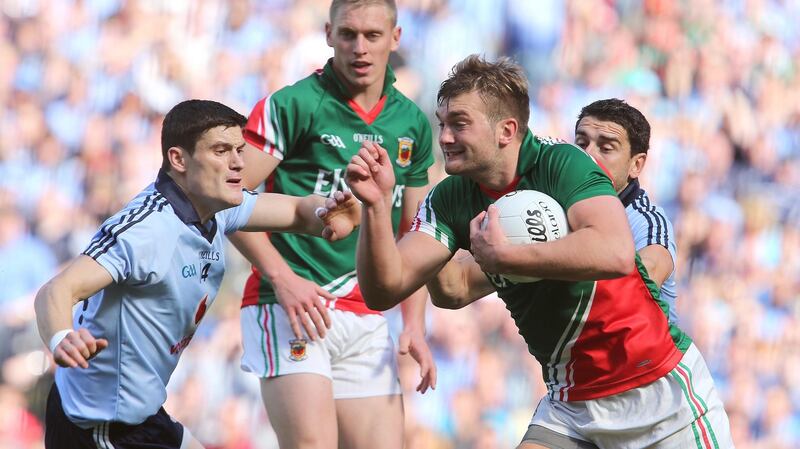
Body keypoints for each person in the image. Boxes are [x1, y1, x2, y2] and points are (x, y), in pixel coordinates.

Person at [346, 55, 733, 448]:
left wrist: (507, 258)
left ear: (506, 130)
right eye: (442, 123)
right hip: (571, 405)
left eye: (459, 124)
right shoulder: (448, 198)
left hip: (658, 396)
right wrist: (376, 208)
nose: (444, 136)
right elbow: (402, 289)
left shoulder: (562, 164)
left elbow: (615, 253)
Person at [34, 99, 359, 449]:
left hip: (143, 417)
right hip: (99, 427)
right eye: (221, 150)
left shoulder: (217, 208)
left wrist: (328, 210)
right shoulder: (145, 231)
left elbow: (297, 211)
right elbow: (56, 290)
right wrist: (61, 337)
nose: (238, 163)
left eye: (239, 149)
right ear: (179, 159)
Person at [230, 1, 436, 448]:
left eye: (373, 36)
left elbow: (415, 235)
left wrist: (414, 325)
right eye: (348, 34)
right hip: (290, 304)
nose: (359, 48)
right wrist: (283, 279)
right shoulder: (292, 105)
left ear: (395, 38)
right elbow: (225, 200)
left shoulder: (412, 125)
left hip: (366, 312)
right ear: (328, 34)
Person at [428, 98, 680, 324]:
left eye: (606, 147)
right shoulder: (546, 211)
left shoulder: (647, 221)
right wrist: (431, 220)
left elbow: (642, 281)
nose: (588, 154)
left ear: (636, 165)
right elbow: (456, 286)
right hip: (574, 373)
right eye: (581, 142)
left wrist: (520, 259)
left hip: (651, 370)